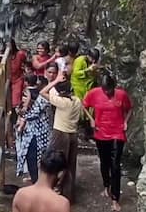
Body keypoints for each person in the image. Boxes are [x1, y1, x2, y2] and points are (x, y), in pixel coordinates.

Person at [83, 73, 132, 212]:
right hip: (101, 132)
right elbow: (84, 105)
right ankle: (106, 186)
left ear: (113, 87)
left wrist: (125, 122)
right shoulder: (94, 93)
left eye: (109, 90)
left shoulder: (121, 95)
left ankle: (115, 199)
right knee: (104, 162)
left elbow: (129, 109)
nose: (107, 92)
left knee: (115, 165)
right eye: (105, 90)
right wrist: (91, 120)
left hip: (117, 133)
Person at [40, 72, 82, 203]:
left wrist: (55, 80)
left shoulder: (62, 102)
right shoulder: (77, 100)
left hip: (60, 134)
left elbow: (43, 92)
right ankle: (68, 195)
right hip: (73, 134)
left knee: (55, 163)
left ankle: (53, 189)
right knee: (70, 165)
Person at [15, 74, 51, 184]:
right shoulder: (41, 97)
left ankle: (37, 182)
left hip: (36, 134)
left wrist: (20, 111)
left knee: (33, 159)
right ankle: (37, 180)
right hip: (38, 133)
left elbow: (31, 114)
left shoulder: (39, 98)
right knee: (38, 159)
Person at [7, 39, 29, 148]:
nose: (8, 47)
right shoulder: (5, 56)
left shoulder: (20, 54)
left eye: (9, 45)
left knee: (16, 104)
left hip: (17, 80)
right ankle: (10, 139)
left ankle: (18, 132)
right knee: (8, 107)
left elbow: (26, 63)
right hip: (8, 82)